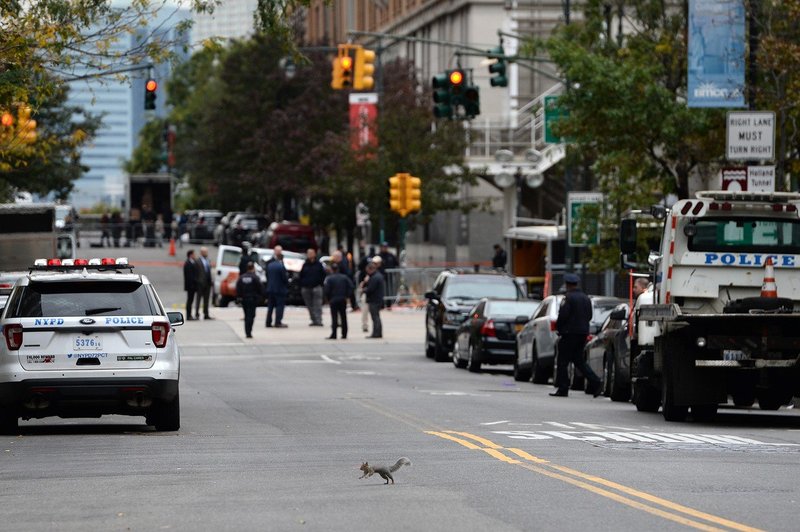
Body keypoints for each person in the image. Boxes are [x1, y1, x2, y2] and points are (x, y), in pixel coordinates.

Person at [550, 273, 602, 397]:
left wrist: (559, 328)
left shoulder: (568, 298)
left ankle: (563, 388)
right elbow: (589, 315)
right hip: (582, 333)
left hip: (569, 334)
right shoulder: (585, 298)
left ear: (567, 284)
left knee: (562, 361)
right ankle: (596, 382)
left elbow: (563, 316)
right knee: (579, 361)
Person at [323, 262, 353, 339]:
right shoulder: (344, 277)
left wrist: (328, 298)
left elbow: (327, 290)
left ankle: (334, 334)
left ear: (332, 270)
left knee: (334, 317)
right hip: (342, 299)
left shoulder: (329, 278)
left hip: (333, 300)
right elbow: (351, 287)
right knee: (343, 317)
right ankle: (344, 334)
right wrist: (347, 295)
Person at [236, 261, 264, 338]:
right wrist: (261, 297)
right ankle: (249, 331)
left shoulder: (242, 277)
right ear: (253, 268)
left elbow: (238, 288)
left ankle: (247, 331)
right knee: (251, 315)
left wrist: (239, 297)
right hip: (252, 299)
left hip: (244, 299)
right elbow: (260, 288)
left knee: (246, 315)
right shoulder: (255, 278)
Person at [299, 248, 326, 327]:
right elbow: (301, 275)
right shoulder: (305, 264)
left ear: (314, 254)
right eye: (308, 253)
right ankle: (313, 320)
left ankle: (318, 320)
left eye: (311, 253)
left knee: (317, 304)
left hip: (316, 287)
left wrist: (320, 283)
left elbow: (323, 275)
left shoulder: (318, 264)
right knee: (309, 305)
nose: (310, 254)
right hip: (306, 287)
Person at [265, 245, 289, 328]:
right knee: (279, 306)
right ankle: (278, 322)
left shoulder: (270, 265)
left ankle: (268, 322)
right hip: (279, 289)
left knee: (270, 306)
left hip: (271, 288)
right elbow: (284, 278)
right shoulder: (280, 266)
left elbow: (267, 276)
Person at [363, 259, 385, 338]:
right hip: (377, 299)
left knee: (375, 317)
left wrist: (364, 289)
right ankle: (378, 332)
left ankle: (376, 333)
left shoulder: (374, 278)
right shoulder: (377, 276)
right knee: (376, 317)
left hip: (374, 300)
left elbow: (370, 289)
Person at [194, 246, 213, 320]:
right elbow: (196, 273)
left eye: (207, 252)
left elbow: (209, 271)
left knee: (206, 299)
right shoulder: (197, 261)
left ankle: (206, 313)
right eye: (205, 252)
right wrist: (197, 281)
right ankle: (197, 313)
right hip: (200, 283)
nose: (206, 253)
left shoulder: (208, 260)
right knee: (198, 299)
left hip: (207, 283)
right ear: (201, 253)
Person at [378, 242, 398, 309]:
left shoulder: (390, 255)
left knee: (389, 290)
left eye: (386, 247)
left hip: (390, 276)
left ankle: (389, 304)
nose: (384, 248)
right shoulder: (379, 256)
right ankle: (382, 304)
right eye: (383, 247)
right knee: (382, 290)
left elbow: (396, 263)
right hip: (381, 276)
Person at [183, 250, 197, 320]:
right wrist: (191, 285)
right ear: (191, 255)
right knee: (189, 301)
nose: (195, 256)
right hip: (190, 286)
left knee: (191, 300)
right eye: (194, 254)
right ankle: (188, 315)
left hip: (192, 286)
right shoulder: (188, 263)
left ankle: (190, 314)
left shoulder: (192, 262)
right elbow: (189, 276)